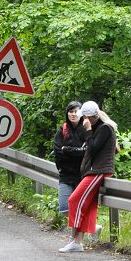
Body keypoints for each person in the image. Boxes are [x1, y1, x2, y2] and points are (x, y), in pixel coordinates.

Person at [58, 100, 116, 253]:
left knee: (74, 200)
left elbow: (93, 148)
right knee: (88, 207)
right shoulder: (98, 127)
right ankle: (78, 241)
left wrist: (89, 130)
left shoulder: (105, 128)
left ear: (92, 116)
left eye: (86, 117)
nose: (84, 120)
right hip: (92, 170)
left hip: (99, 171)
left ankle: (74, 238)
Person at [53, 101, 87, 215]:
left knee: (81, 210)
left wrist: (67, 150)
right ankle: (76, 231)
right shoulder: (62, 130)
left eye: (76, 111)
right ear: (67, 114)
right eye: (70, 111)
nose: (73, 114)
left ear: (81, 113)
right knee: (64, 210)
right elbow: (58, 152)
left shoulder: (86, 130)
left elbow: (87, 152)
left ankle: (78, 232)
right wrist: (76, 152)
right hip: (65, 175)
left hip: (82, 176)